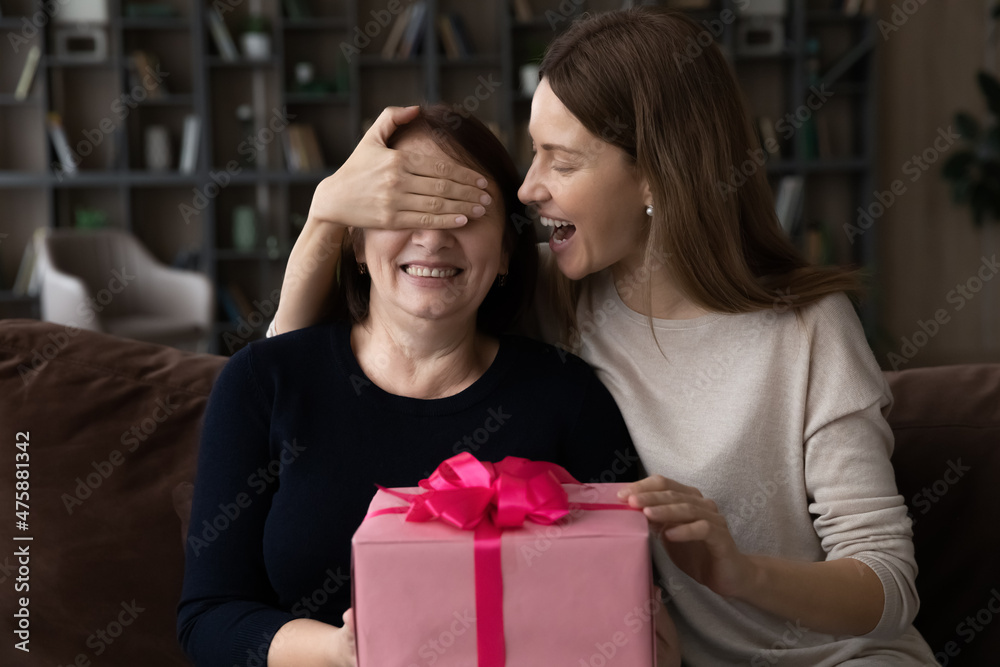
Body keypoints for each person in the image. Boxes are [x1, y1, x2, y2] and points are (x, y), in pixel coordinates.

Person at [266, 7, 938, 666]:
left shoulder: (809, 326)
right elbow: (292, 382)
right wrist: (326, 215)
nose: (529, 188)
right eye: (534, 153)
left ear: (654, 175)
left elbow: (888, 583)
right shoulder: (559, 312)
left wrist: (740, 572)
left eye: (560, 161)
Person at [176, 106, 654, 667]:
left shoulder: (568, 396)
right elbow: (208, 617)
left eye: (466, 212)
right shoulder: (262, 383)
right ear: (354, 243)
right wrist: (342, 651)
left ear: (505, 253)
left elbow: (629, 598)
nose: (433, 236)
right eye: (405, 205)